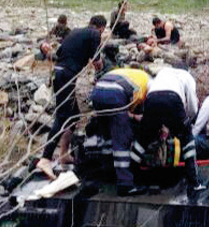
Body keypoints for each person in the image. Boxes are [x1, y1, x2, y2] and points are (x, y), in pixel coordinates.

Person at [36, 15, 107, 180]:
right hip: (67, 76)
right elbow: (96, 60)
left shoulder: (74, 32)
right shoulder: (94, 34)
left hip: (59, 73)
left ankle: (64, 153)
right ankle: (45, 159)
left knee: (73, 115)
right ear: (101, 28)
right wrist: (101, 67)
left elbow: (57, 54)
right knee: (62, 117)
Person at [133, 65, 205, 196]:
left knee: (143, 138)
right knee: (187, 139)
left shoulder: (163, 72)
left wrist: (158, 124)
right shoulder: (187, 77)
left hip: (152, 99)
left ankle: (132, 177)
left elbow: (151, 91)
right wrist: (186, 122)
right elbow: (193, 108)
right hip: (173, 98)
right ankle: (194, 183)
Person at [88, 67, 150, 196]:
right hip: (115, 93)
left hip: (97, 91)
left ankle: (108, 171)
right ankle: (125, 184)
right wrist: (136, 118)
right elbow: (130, 112)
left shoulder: (134, 74)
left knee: (106, 134)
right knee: (122, 138)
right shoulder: (146, 87)